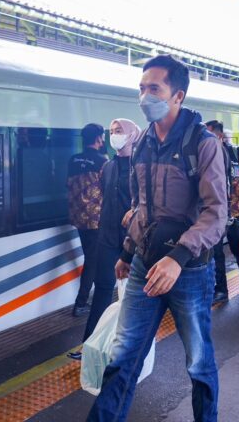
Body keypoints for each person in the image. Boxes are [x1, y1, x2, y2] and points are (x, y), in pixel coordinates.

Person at [87, 55, 226, 422]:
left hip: (190, 272)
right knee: (122, 359)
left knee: (198, 362)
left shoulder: (203, 144)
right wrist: (128, 250)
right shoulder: (144, 142)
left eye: (154, 88)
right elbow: (141, 205)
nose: (144, 96)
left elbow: (216, 214)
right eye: (141, 88)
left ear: (177, 95)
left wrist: (177, 257)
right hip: (144, 266)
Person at [69, 119, 141, 361]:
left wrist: (137, 211)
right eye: (111, 132)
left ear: (132, 135)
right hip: (107, 236)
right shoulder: (107, 167)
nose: (114, 135)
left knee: (134, 294)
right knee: (102, 288)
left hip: (136, 240)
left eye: (119, 131)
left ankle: (129, 345)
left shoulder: (142, 166)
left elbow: (154, 202)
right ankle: (90, 344)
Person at [206, 120, 239, 298]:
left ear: (219, 135)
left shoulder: (236, 153)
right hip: (214, 212)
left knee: (237, 247)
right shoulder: (203, 155)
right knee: (216, 252)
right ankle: (221, 289)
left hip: (236, 210)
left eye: (209, 133)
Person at [67, 123, 108, 317]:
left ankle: (90, 297)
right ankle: (80, 303)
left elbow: (68, 184)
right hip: (96, 219)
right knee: (92, 260)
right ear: (99, 139)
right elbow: (108, 188)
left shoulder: (73, 160)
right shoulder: (102, 161)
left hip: (78, 218)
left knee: (91, 257)